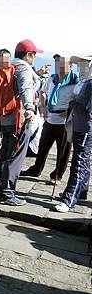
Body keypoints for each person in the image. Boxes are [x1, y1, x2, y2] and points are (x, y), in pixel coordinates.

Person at [0, 39, 43, 206]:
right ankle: (6, 193)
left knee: (4, 153)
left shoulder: (9, 67)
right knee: (15, 157)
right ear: (28, 55)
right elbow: (26, 88)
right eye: (34, 55)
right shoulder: (23, 69)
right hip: (19, 119)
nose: (34, 58)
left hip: (5, 117)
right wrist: (29, 108)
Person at [21, 55, 79, 183]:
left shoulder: (75, 81)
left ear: (70, 66)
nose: (60, 67)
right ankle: (36, 170)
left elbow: (79, 99)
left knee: (63, 150)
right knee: (42, 146)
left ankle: (57, 176)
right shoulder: (52, 79)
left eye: (63, 64)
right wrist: (43, 106)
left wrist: (70, 110)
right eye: (58, 64)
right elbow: (42, 91)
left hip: (65, 121)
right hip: (50, 118)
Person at [55, 55, 92, 213]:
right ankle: (80, 191)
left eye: (84, 64)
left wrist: (72, 102)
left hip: (85, 127)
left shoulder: (89, 84)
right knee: (82, 159)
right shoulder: (84, 82)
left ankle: (69, 199)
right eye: (79, 64)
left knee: (79, 162)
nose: (80, 67)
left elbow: (88, 109)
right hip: (79, 126)